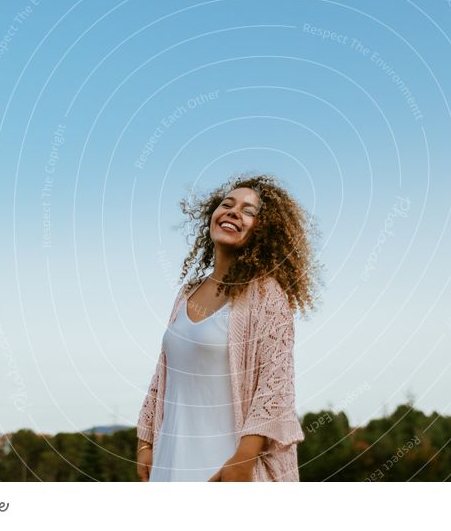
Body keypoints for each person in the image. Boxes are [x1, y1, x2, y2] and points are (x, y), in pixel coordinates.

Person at [136, 173, 323, 481]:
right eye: (227, 204)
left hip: (227, 468)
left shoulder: (266, 295)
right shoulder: (187, 294)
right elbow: (164, 374)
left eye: (249, 211)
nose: (235, 212)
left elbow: (275, 386)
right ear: (213, 215)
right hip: (170, 463)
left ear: (264, 230)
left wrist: (243, 460)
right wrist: (145, 443)